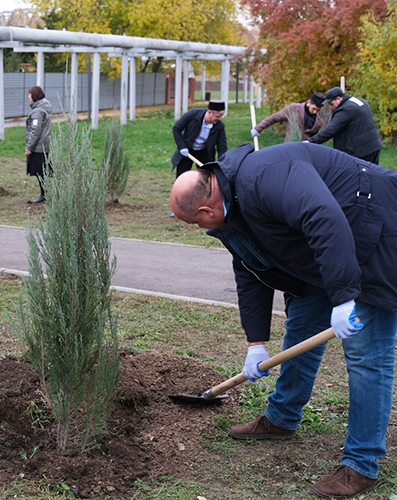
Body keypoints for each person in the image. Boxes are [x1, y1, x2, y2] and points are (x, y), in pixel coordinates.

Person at [169, 142, 397, 499]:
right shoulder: (232, 208)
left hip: (376, 235)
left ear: (205, 209)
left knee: (368, 358)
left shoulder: (264, 176)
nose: (199, 228)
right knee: (302, 324)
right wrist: (255, 343)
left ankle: (361, 465)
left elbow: (323, 216)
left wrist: (344, 296)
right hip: (327, 254)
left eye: (195, 222)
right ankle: (281, 419)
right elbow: (249, 269)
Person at [308, 87, 383, 164]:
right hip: (374, 146)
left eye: (332, 104)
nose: (332, 107)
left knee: (360, 175)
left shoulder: (345, 110)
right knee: (374, 174)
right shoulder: (360, 101)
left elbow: (330, 130)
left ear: (339, 99)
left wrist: (310, 142)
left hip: (362, 152)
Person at [171, 99, 227, 180]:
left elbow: (222, 147)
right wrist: (182, 146)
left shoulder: (220, 126)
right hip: (188, 150)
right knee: (182, 177)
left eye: (221, 117)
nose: (219, 119)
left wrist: (222, 163)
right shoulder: (193, 114)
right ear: (210, 112)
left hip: (205, 153)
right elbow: (176, 129)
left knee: (206, 179)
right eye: (217, 116)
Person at [252, 92, 325, 142]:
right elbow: (274, 118)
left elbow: (314, 139)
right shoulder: (294, 109)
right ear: (309, 102)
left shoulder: (318, 122)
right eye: (314, 109)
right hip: (289, 148)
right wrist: (258, 129)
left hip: (304, 152)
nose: (315, 112)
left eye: (318, 110)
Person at [25, 85, 52, 204]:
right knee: (44, 172)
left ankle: (44, 195)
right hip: (45, 145)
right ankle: (45, 194)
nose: (28, 96)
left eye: (30, 94)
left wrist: (29, 147)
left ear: (34, 96)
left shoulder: (37, 112)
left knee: (41, 173)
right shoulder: (45, 107)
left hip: (39, 147)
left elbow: (35, 130)